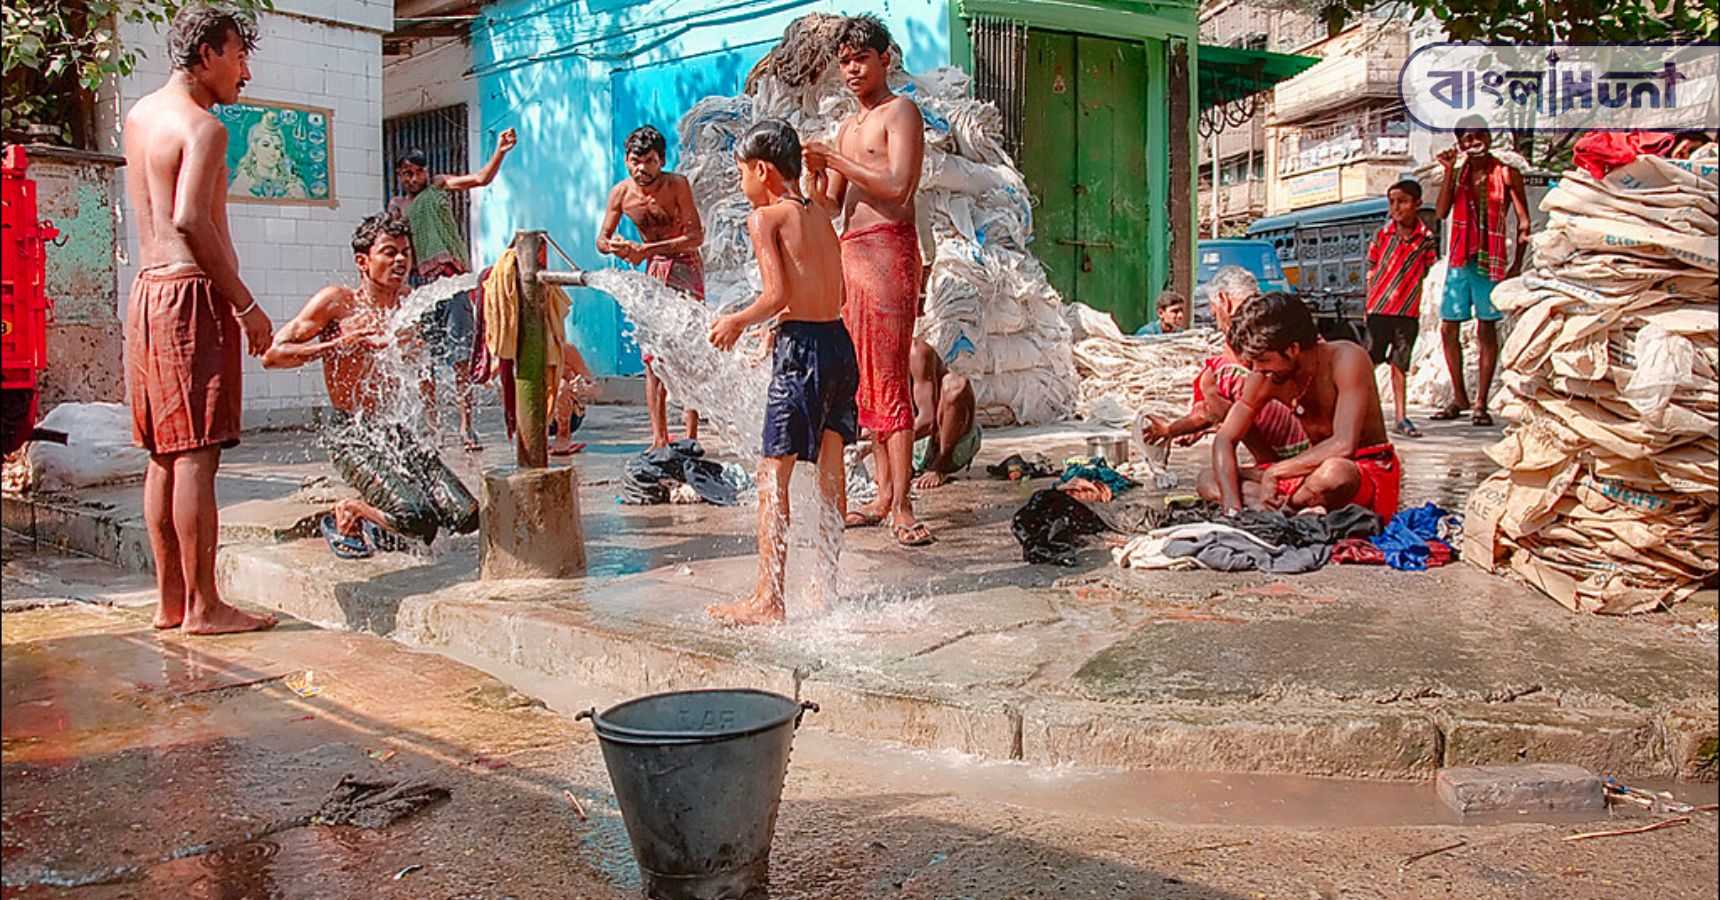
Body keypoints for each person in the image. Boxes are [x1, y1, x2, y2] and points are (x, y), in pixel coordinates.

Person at [122, 7, 276, 635]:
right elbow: (190, 220)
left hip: (147, 293)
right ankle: (206, 606)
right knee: (196, 455)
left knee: (163, 451)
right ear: (208, 53)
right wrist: (245, 303)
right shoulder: (205, 127)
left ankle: (170, 602)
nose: (245, 71)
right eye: (239, 55)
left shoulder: (138, 117)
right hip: (192, 295)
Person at [707, 120, 857, 626]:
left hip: (803, 355)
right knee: (831, 469)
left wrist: (738, 321)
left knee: (774, 473)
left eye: (741, 175)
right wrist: (784, 321)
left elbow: (774, 294)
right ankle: (825, 588)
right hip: (838, 344)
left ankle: (769, 599)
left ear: (762, 171)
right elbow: (834, 296)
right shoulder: (820, 217)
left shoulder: (765, 219)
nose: (741, 186)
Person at [263, 213, 479, 555]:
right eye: (389, 252)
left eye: (405, 252)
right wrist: (336, 345)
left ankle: (384, 527)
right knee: (416, 516)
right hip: (351, 433)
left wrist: (430, 432)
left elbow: (419, 374)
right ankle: (349, 514)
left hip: (393, 430)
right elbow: (272, 355)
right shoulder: (337, 303)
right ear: (363, 261)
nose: (400, 260)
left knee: (465, 516)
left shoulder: (409, 303)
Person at [803, 14, 931, 547]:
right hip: (852, 252)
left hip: (888, 250)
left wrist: (837, 159)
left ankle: (901, 504)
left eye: (862, 58)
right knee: (864, 379)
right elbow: (833, 202)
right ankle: (881, 495)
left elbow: (899, 186)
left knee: (890, 374)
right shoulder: (848, 128)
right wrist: (814, 174)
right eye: (845, 62)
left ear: (885, 59)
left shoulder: (900, 112)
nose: (853, 70)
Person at [1211, 293, 1400, 521]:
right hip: (1306, 474)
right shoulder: (1263, 377)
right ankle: (1285, 511)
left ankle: (1280, 511)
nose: (1256, 370)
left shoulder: (1347, 359)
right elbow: (1224, 439)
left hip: (1363, 471)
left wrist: (1276, 471)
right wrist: (1232, 508)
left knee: (1334, 473)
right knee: (1210, 478)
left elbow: (1344, 445)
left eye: (1263, 361)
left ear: (1292, 349)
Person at [390, 129, 518, 451]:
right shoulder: (398, 207)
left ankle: (466, 426)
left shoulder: (438, 186)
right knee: (424, 363)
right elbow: (399, 248)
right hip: (424, 288)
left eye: (418, 171)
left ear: (426, 172)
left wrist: (500, 151)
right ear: (399, 176)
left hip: (453, 285)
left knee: (461, 357)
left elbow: (480, 179)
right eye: (407, 173)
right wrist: (400, 287)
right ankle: (433, 430)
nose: (413, 177)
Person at [1145, 267, 1310, 486]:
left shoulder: (1244, 339)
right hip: (1311, 442)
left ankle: (1271, 470)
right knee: (1210, 479)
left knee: (1221, 377)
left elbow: (1216, 408)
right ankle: (1271, 474)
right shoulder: (1272, 317)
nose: (1216, 320)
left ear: (1224, 300)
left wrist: (1172, 429)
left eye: (1214, 312)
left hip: (1300, 444)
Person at [597, 125, 707, 450]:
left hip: (685, 268)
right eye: (635, 161)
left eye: (648, 161)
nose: (641, 169)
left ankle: (691, 436)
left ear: (661, 160)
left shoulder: (677, 186)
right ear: (626, 160)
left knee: (689, 353)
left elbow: (696, 236)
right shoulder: (621, 193)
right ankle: (659, 438)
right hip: (653, 272)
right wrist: (616, 246)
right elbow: (601, 239)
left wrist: (647, 251)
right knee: (652, 357)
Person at [1432, 117, 1529, 428]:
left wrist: (1516, 265)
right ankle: (1459, 396)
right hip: (1460, 257)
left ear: (1488, 137)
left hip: (1492, 259)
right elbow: (1441, 212)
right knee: (1449, 327)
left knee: (1486, 328)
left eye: (1478, 136)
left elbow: (1524, 223)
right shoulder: (1459, 174)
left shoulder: (1506, 172)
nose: (1473, 142)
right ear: (1460, 144)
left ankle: (1480, 403)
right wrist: (1448, 172)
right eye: (1466, 138)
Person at [1365, 179, 1438, 438]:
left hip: (1408, 311)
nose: (1396, 208)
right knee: (1369, 362)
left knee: (1400, 364)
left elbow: (1429, 269)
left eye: (1402, 202)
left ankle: (1400, 416)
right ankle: (1365, 412)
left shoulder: (1425, 238)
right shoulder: (1382, 234)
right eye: (1392, 202)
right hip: (1380, 308)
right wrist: (1369, 302)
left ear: (1416, 204)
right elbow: (1372, 268)